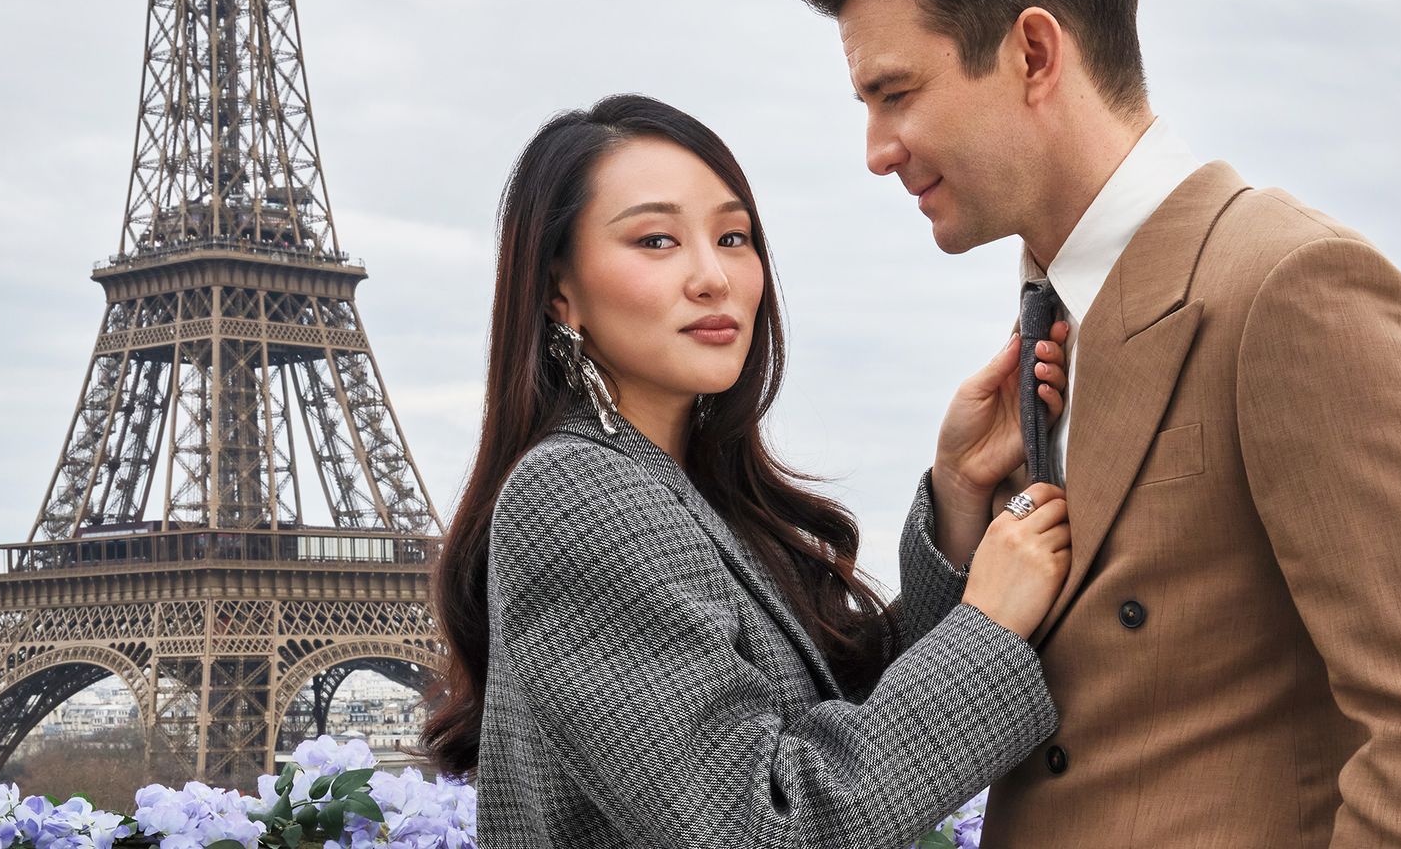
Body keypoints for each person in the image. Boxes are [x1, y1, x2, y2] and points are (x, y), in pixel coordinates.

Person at [787, 0, 1401, 846]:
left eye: (896, 94)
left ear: (1034, 54)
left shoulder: (1292, 287)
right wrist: (959, 505)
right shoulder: (1057, 318)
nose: (877, 152)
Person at [423, 93, 1081, 848]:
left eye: (733, 237)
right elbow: (759, 829)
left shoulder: (690, 493)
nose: (714, 277)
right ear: (558, 293)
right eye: (656, 240)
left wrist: (958, 492)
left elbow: (846, 721)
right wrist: (989, 623)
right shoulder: (574, 492)